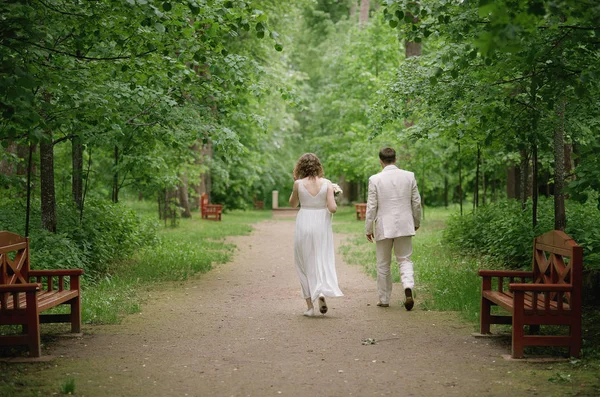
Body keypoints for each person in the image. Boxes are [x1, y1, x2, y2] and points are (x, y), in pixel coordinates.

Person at [365, 147, 421, 311]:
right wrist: (416, 221)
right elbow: (416, 202)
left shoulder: (375, 179)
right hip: (405, 224)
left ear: (380, 161)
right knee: (404, 259)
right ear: (395, 159)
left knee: (383, 264)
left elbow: (372, 207)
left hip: (384, 225)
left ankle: (384, 299)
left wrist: (368, 228)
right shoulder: (409, 176)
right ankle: (408, 286)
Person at [289, 153, 344, 317]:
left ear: (301, 168)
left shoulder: (298, 184)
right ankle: (320, 291)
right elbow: (333, 208)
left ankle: (309, 307)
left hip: (304, 220)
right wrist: (332, 194)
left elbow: (293, 204)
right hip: (321, 223)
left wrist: (295, 186)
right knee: (321, 258)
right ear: (318, 166)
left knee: (304, 262)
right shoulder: (327, 183)